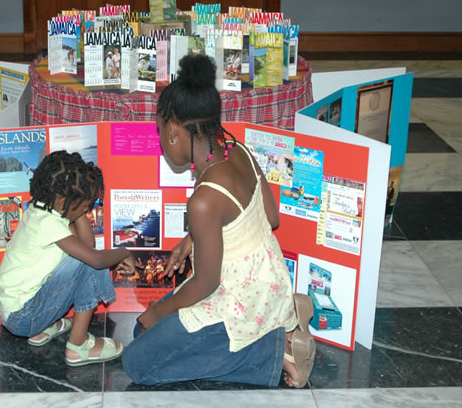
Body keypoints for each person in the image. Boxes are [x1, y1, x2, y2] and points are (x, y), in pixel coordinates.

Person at [122, 55, 316, 388]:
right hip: (268, 280)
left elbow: (206, 284)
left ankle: (274, 351)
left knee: (137, 363)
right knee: (143, 332)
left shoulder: (204, 199)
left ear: (172, 131)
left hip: (237, 300)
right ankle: (283, 317)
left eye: (159, 131)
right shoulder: (235, 148)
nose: (161, 140)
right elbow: (269, 217)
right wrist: (194, 239)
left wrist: (158, 313)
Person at [0, 151, 135, 367]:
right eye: (84, 206)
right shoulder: (49, 224)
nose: (86, 211)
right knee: (89, 263)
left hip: (17, 312)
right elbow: (95, 259)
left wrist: (76, 208)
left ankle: (42, 328)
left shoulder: (43, 211)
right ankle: (78, 346)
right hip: (24, 317)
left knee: (83, 257)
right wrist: (125, 252)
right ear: (63, 200)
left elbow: (87, 244)